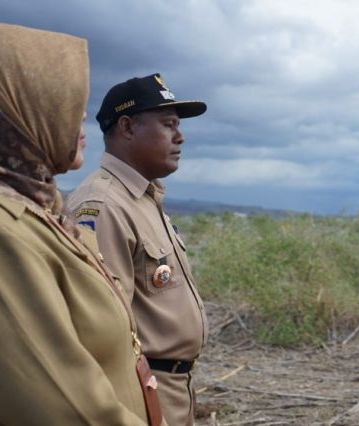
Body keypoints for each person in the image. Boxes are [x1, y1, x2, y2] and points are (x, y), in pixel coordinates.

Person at [0, 24, 157, 425]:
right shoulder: (7, 233)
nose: (82, 117)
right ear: (20, 112)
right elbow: (68, 410)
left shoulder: (45, 213)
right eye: (64, 98)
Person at [67, 73, 209, 426]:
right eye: (168, 124)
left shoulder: (144, 198)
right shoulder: (102, 204)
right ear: (127, 127)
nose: (180, 136)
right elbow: (101, 332)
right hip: (140, 394)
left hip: (173, 388)